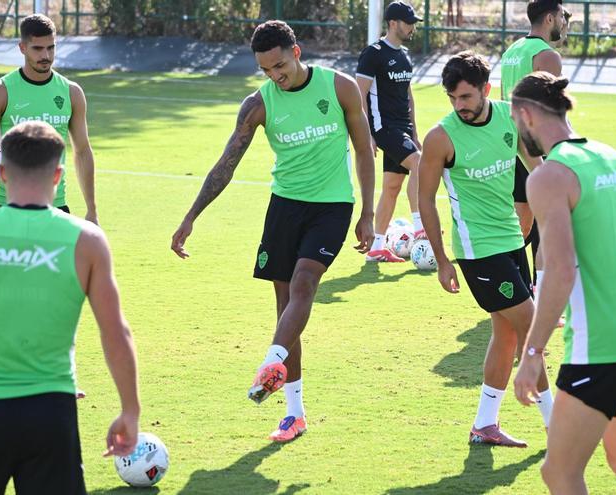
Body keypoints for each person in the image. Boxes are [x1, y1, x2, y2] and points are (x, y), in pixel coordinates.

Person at [170, 20, 375, 442]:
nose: (275, 76)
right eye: (266, 71)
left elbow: (364, 149)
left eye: (279, 66)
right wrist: (192, 216)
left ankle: (271, 362)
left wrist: (368, 213)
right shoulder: (258, 104)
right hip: (284, 208)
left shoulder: (339, 89)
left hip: (332, 206)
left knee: (304, 282)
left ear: (296, 52)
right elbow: (226, 164)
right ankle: (294, 413)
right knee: (285, 309)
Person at [0, 121, 141, 494]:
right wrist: (130, 411)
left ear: (2, 172)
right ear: (58, 174)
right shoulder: (87, 240)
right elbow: (115, 332)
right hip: (51, 415)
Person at [512, 72, 616, 494]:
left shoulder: (548, 176)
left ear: (525, 115)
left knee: (558, 473)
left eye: (514, 121)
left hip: (599, 349)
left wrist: (532, 353)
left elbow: (560, 270)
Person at [416, 51, 551, 447]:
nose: (460, 107)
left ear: (485, 91)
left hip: (512, 242)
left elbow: (537, 165)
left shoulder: (511, 116)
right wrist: (442, 260)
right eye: (454, 99)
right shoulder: (440, 137)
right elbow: (425, 199)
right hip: (477, 252)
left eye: (466, 98)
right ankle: (556, 425)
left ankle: (484, 424)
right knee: (531, 329)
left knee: (507, 335)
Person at [0, 14, 98, 224]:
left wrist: (91, 210)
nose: (46, 56)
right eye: (38, 49)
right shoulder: (0, 91)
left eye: (51, 48)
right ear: (22, 47)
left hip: (56, 207)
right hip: (9, 206)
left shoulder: (71, 92)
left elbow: (83, 151)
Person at [500, 0, 567, 291]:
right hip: (534, 147)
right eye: (564, 17)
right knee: (545, 221)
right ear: (550, 18)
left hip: (508, 145)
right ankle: (538, 293)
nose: (566, 23)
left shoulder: (512, 51)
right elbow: (552, 110)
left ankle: (513, 287)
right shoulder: (547, 56)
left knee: (520, 225)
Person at [355, 0, 424, 263]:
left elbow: (409, 98)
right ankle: (420, 227)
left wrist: (415, 132)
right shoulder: (373, 53)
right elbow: (359, 93)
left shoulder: (405, 56)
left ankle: (377, 246)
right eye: (409, 23)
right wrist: (367, 134)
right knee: (419, 163)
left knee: (393, 186)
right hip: (383, 128)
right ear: (393, 23)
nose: (412, 28)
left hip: (403, 129)